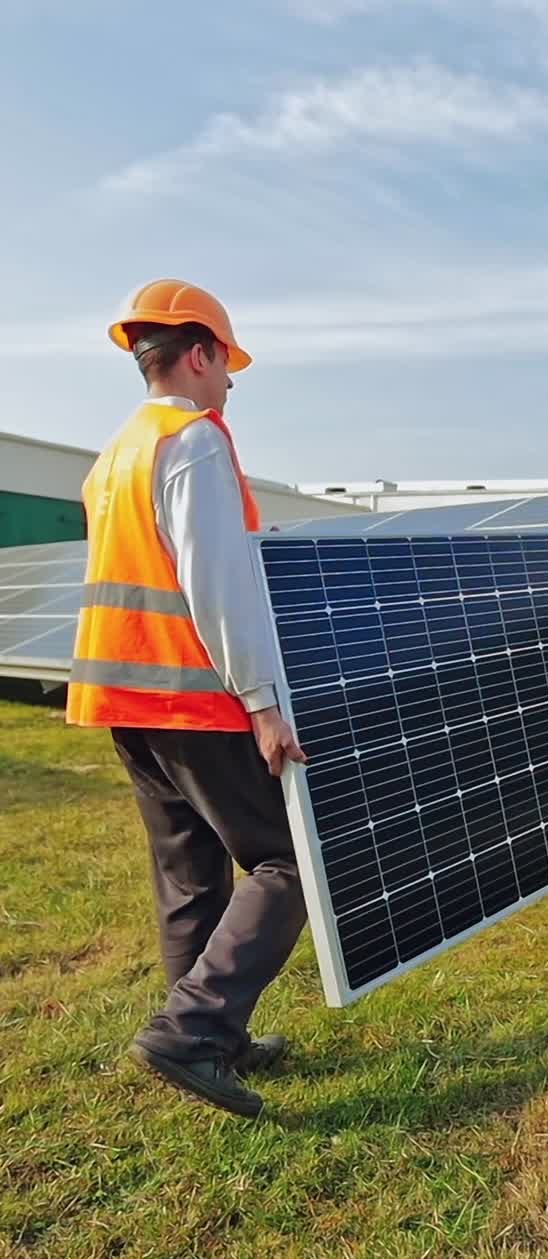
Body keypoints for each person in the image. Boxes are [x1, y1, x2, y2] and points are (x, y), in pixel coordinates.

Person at [66, 279, 308, 1118]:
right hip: (190, 694)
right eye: (227, 363)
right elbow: (217, 586)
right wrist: (264, 703)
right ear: (197, 352)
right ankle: (193, 1032)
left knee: (191, 876)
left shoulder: (115, 454)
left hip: (121, 695)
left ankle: (209, 1038)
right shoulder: (195, 439)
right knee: (288, 862)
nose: (231, 383)